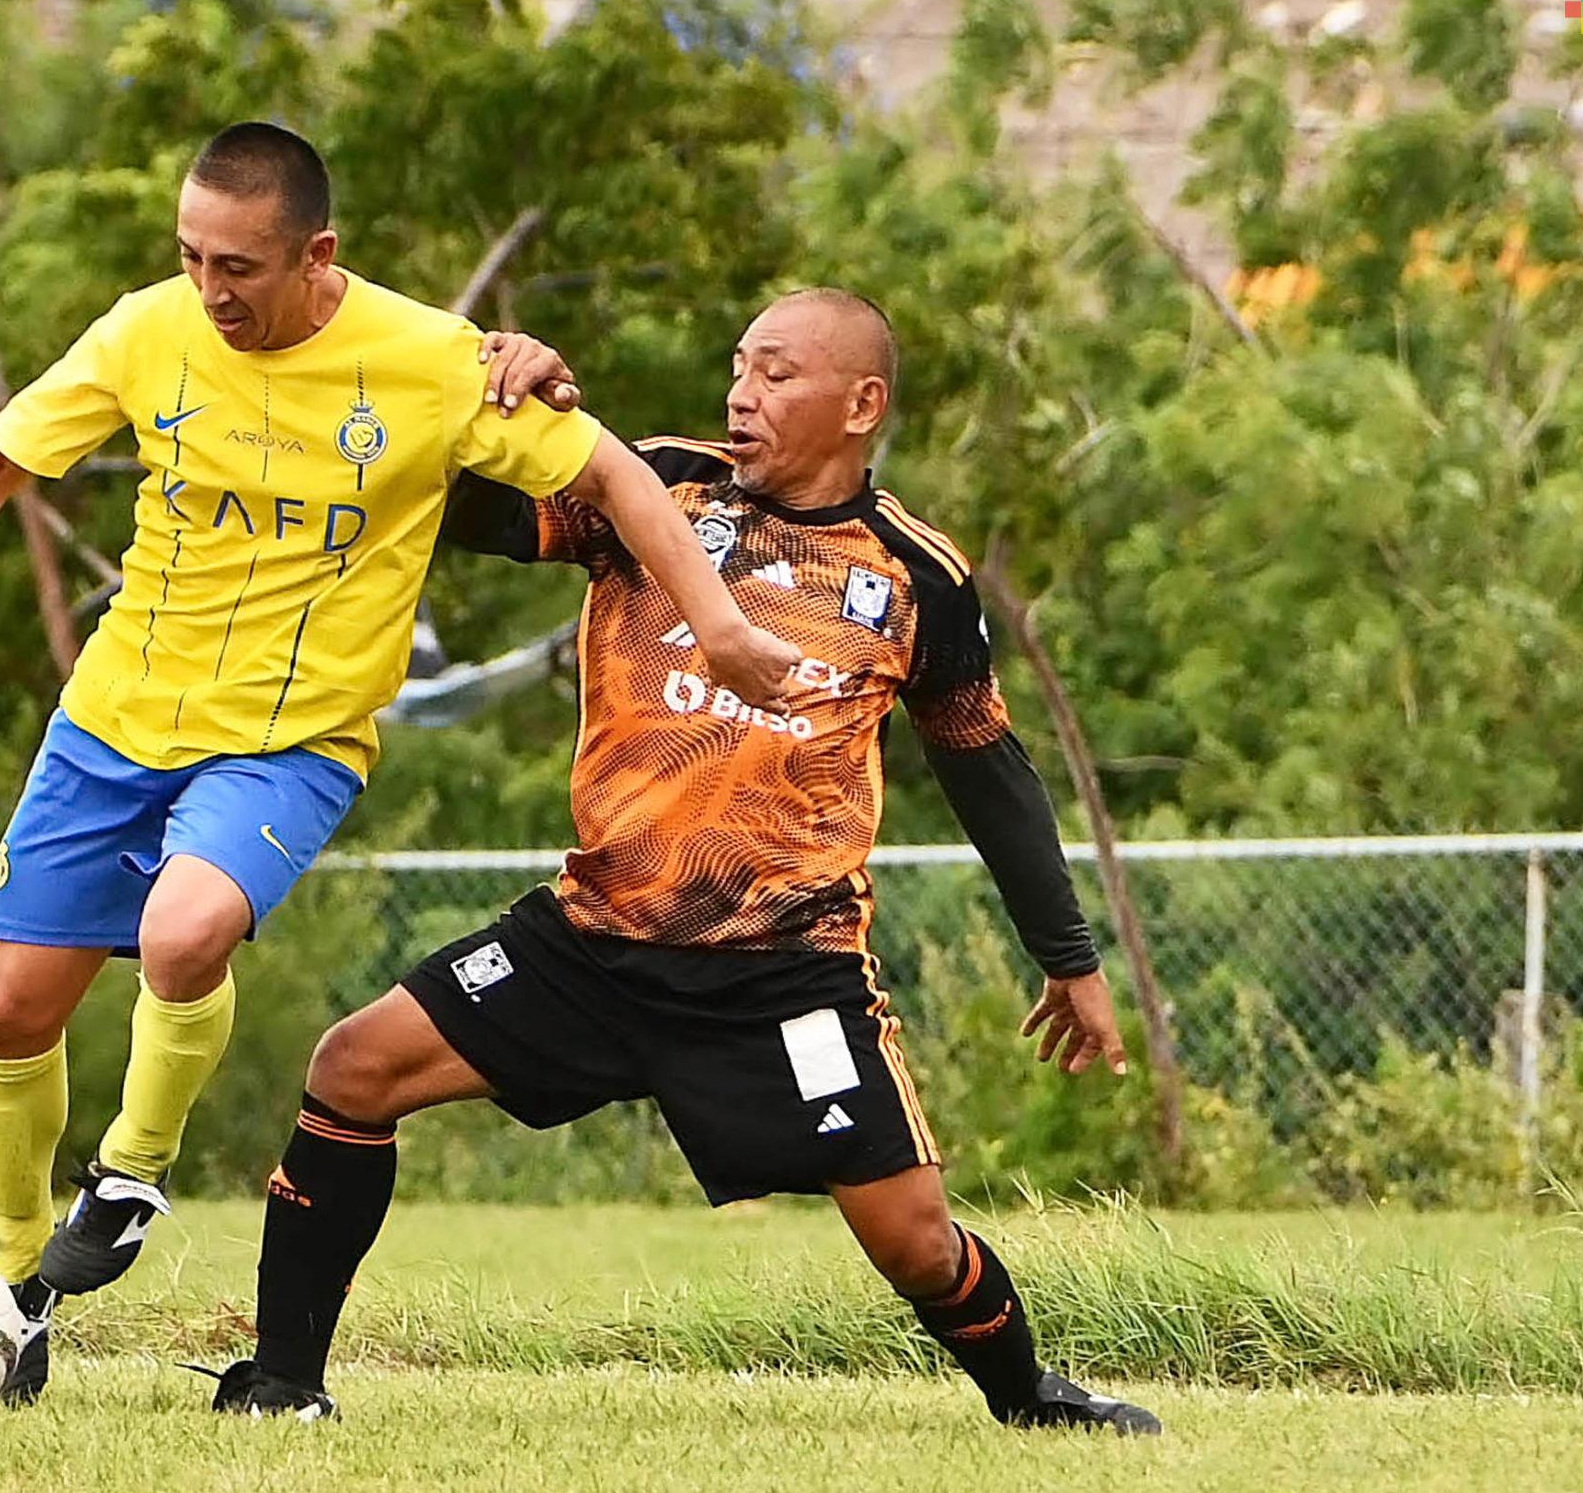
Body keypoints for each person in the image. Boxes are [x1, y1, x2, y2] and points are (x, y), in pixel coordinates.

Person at [0, 122, 801, 1398]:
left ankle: (130, 1172)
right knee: (16, 1011)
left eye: (236, 265)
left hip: (290, 740)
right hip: (112, 721)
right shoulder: (148, 330)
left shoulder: (429, 363)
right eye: (190, 258)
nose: (210, 290)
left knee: (186, 933)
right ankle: (20, 1296)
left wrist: (722, 625)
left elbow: (622, 481)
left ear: (317, 253)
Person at [204, 286, 1160, 1435]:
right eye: (737, 366)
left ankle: (1030, 1400)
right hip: (593, 939)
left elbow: (985, 770)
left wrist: (1069, 956)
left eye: (774, 374)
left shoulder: (916, 576)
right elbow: (462, 508)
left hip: (782, 971)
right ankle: (282, 1382)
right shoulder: (654, 483)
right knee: (352, 1069)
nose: (739, 394)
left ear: (862, 404)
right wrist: (470, 389)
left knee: (909, 1236)